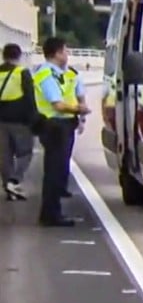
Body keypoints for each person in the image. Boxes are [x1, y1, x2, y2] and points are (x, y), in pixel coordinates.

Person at [32, 37, 89, 227]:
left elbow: (77, 96)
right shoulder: (45, 74)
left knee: (60, 169)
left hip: (65, 125)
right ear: (56, 53)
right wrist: (79, 110)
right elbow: (57, 104)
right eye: (65, 51)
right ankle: (50, 214)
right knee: (54, 171)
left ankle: (53, 212)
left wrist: (79, 115)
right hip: (53, 125)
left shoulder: (68, 73)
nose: (67, 54)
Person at [0, 43, 36, 201]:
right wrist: (34, 119)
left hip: (1, 121)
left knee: (4, 156)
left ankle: (9, 188)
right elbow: (30, 98)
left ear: (3, 55)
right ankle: (15, 180)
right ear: (19, 56)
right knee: (26, 152)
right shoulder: (22, 72)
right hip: (20, 122)